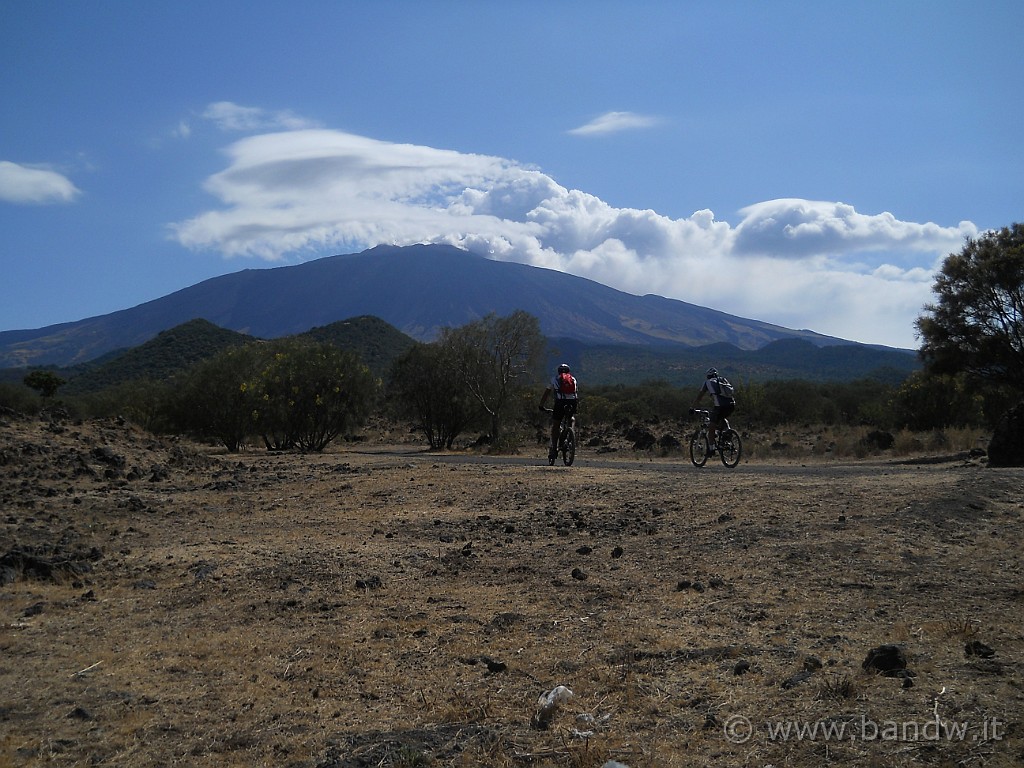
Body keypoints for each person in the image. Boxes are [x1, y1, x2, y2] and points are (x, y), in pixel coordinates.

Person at [539, 363, 578, 463]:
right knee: (572, 418)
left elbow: (546, 393)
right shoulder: (573, 379)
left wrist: (541, 405)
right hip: (572, 402)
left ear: (558, 371)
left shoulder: (554, 379)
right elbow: (575, 392)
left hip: (560, 403)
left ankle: (554, 449)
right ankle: (571, 433)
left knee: (556, 424)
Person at [690, 367, 735, 447]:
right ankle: (728, 432)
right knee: (721, 417)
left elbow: (699, 397)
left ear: (708, 376)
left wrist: (692, 408)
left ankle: (711, 448)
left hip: (720, 406)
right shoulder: (723, 380)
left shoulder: (707, 382)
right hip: (731, 405)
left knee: (712, 426)